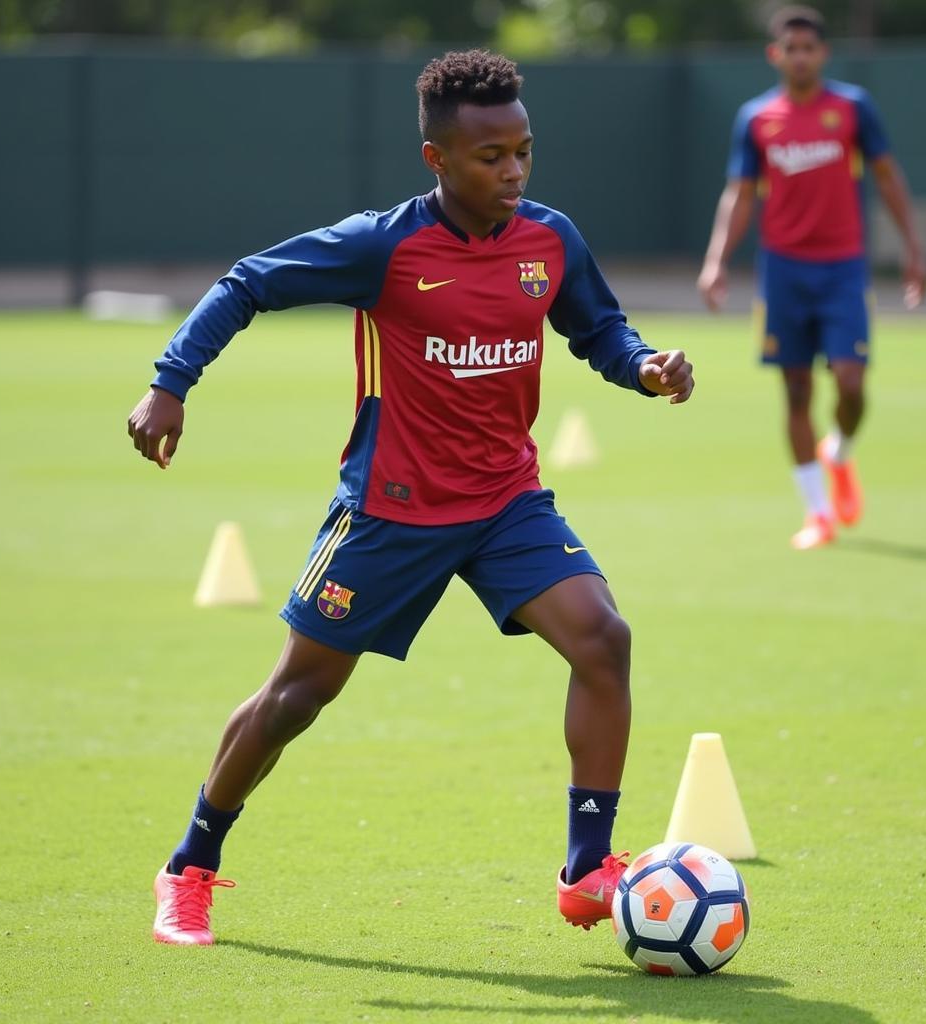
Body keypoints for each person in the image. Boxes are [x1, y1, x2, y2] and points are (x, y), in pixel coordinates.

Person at [128, 49, 694, 946]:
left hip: (507, 502)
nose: (512, 172)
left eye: (523, 152)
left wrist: (646, 368)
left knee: (604, 637)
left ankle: (588, 869)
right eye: (489, 157)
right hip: (389, 511)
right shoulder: (382, 246)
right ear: (436, 159)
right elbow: (247, 282)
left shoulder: (551, 240)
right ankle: (189, 865)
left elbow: (599, 330)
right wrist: (170, 383)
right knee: (296, 697)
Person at [697, 5, 926, 550]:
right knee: (796, 390)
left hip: (844, 267)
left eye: (809, 48)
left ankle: (840, 452)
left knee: (851, 382)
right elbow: (740, 193)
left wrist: (914, 248)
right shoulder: (756, 118)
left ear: (822, 54)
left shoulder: (851, 108)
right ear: (775, 55)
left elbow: (889, 176)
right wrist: (716, 260)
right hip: (782, 272)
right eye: (790, 48)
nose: (800, 57)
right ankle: (818, 512)